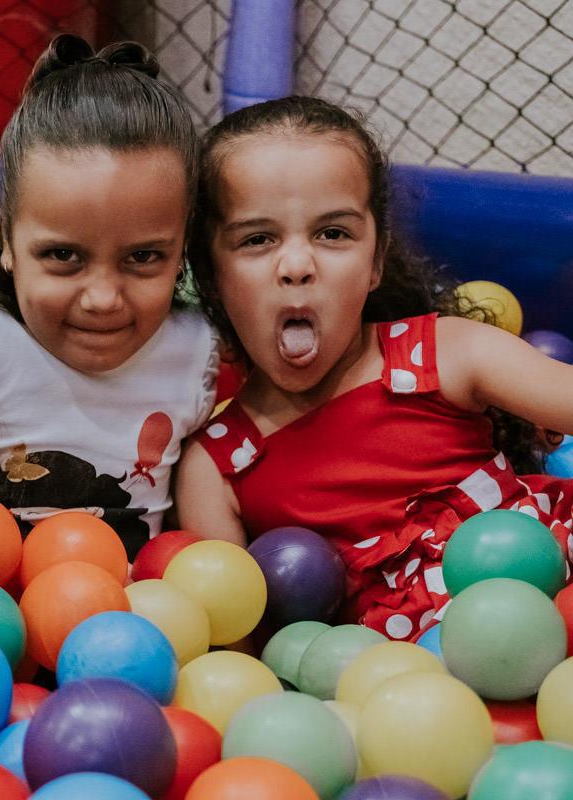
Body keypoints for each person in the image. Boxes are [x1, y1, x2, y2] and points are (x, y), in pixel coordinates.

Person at [177, 95, 573, 641]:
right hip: (396, 683)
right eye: (258, 239)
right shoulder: (218, 467)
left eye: (332, 233)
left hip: (549, 595)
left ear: (375, 261)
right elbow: (234, 641)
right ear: (211, 272)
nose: (296, 266)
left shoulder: (446, 355)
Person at [0, 34, 218, 560]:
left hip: (139, 626)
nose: (103, 298)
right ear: (9, 242)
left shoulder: (198, 349)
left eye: (143, 257)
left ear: (183, 247)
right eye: (64, 256)